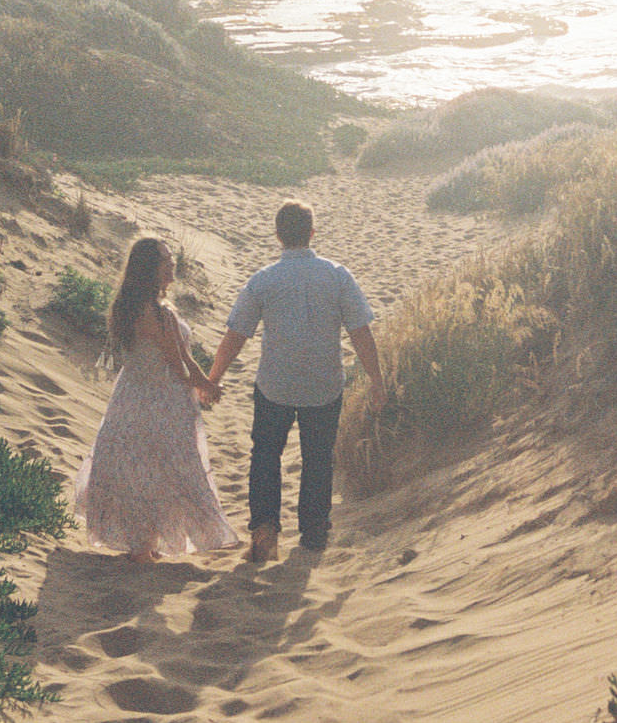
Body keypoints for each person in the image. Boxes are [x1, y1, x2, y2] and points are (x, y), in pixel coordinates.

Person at [208, 201, 386, 561]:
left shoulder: (263, 280)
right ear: (312, 233)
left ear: (278, 235)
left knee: (265, 455)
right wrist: (377, 379)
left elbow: (236, 334)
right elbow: (360, 332)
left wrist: (213, 378)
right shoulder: (337, 275)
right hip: (323, 385)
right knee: (318, 458)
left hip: (275, 383)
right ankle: (314, 533)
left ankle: (264, 529)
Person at [75, 236, 239, 562]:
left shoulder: (133, 305)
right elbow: (177, 365)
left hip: (130, 397)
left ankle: (144, 545)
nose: (172, 263)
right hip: (159, 403)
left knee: (141, 473)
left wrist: (206, 384)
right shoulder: (156, 312)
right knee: (161, 474)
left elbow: (183, 355)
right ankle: (141, 549)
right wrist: (204, 387)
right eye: (165, 260)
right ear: (149, 269)